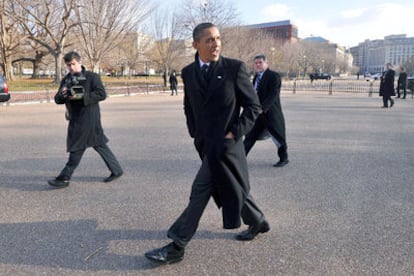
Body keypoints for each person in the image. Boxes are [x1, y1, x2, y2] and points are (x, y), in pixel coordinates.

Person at [144, 23, 269, 265]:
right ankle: (258, 220)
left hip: (226, 147)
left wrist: (235, 133)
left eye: (218, 38)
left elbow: (254, 107)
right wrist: (194, 131)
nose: (216, 44)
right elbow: (188, 104)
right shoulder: (189, 72)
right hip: (205, 144)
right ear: (196, 45)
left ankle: (177, 245)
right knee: (232, 185)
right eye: (210, 40)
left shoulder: (234, 68)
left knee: (200, 191)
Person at [48, 51, 123, 188]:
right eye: (68, 65)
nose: (71, 67)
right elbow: (57, 100)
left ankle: (64, 178)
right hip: (75, 118)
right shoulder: (66, 80)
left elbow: (101, 94)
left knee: (77, 146)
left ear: (79, 62)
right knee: (99, 144)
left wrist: (83, 97)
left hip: (90, 118)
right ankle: (117, 170)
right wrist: (62, 94)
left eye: (73, 64)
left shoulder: (92, 77)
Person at [243, 54, 289, 167]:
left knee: (278, 137)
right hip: (257, 115)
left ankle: (284, 159)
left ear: (266, 63)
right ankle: (240, 159)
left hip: (271, 113)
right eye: (256, 63)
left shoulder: (274, 76)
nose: (258, 65)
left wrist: (262, 108)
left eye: (260, 62)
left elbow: (273, 95)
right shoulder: (256, 78)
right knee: (250, 136)